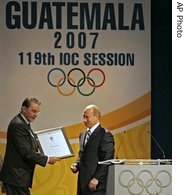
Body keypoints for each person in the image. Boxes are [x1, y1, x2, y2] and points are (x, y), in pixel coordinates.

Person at [0, 97, 60, 195]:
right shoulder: (18, 124)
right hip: (16, 177)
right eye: (33, 111)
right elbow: (25, 152)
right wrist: (47, 159)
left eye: (37, 112)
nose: (36, 114)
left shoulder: (24, 123)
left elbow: (29, 143)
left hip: (19, 178)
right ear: (23, 109)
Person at [70, 104, 115, 195]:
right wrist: (76, 164)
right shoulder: (82, 134)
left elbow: (107, 159)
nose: (84, 120)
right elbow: (82, 154)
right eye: (83, 117)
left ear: (97, 116)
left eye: (87, 117)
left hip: (96, 185)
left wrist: (96, 178)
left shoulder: (105, 134)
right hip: (82, 183)